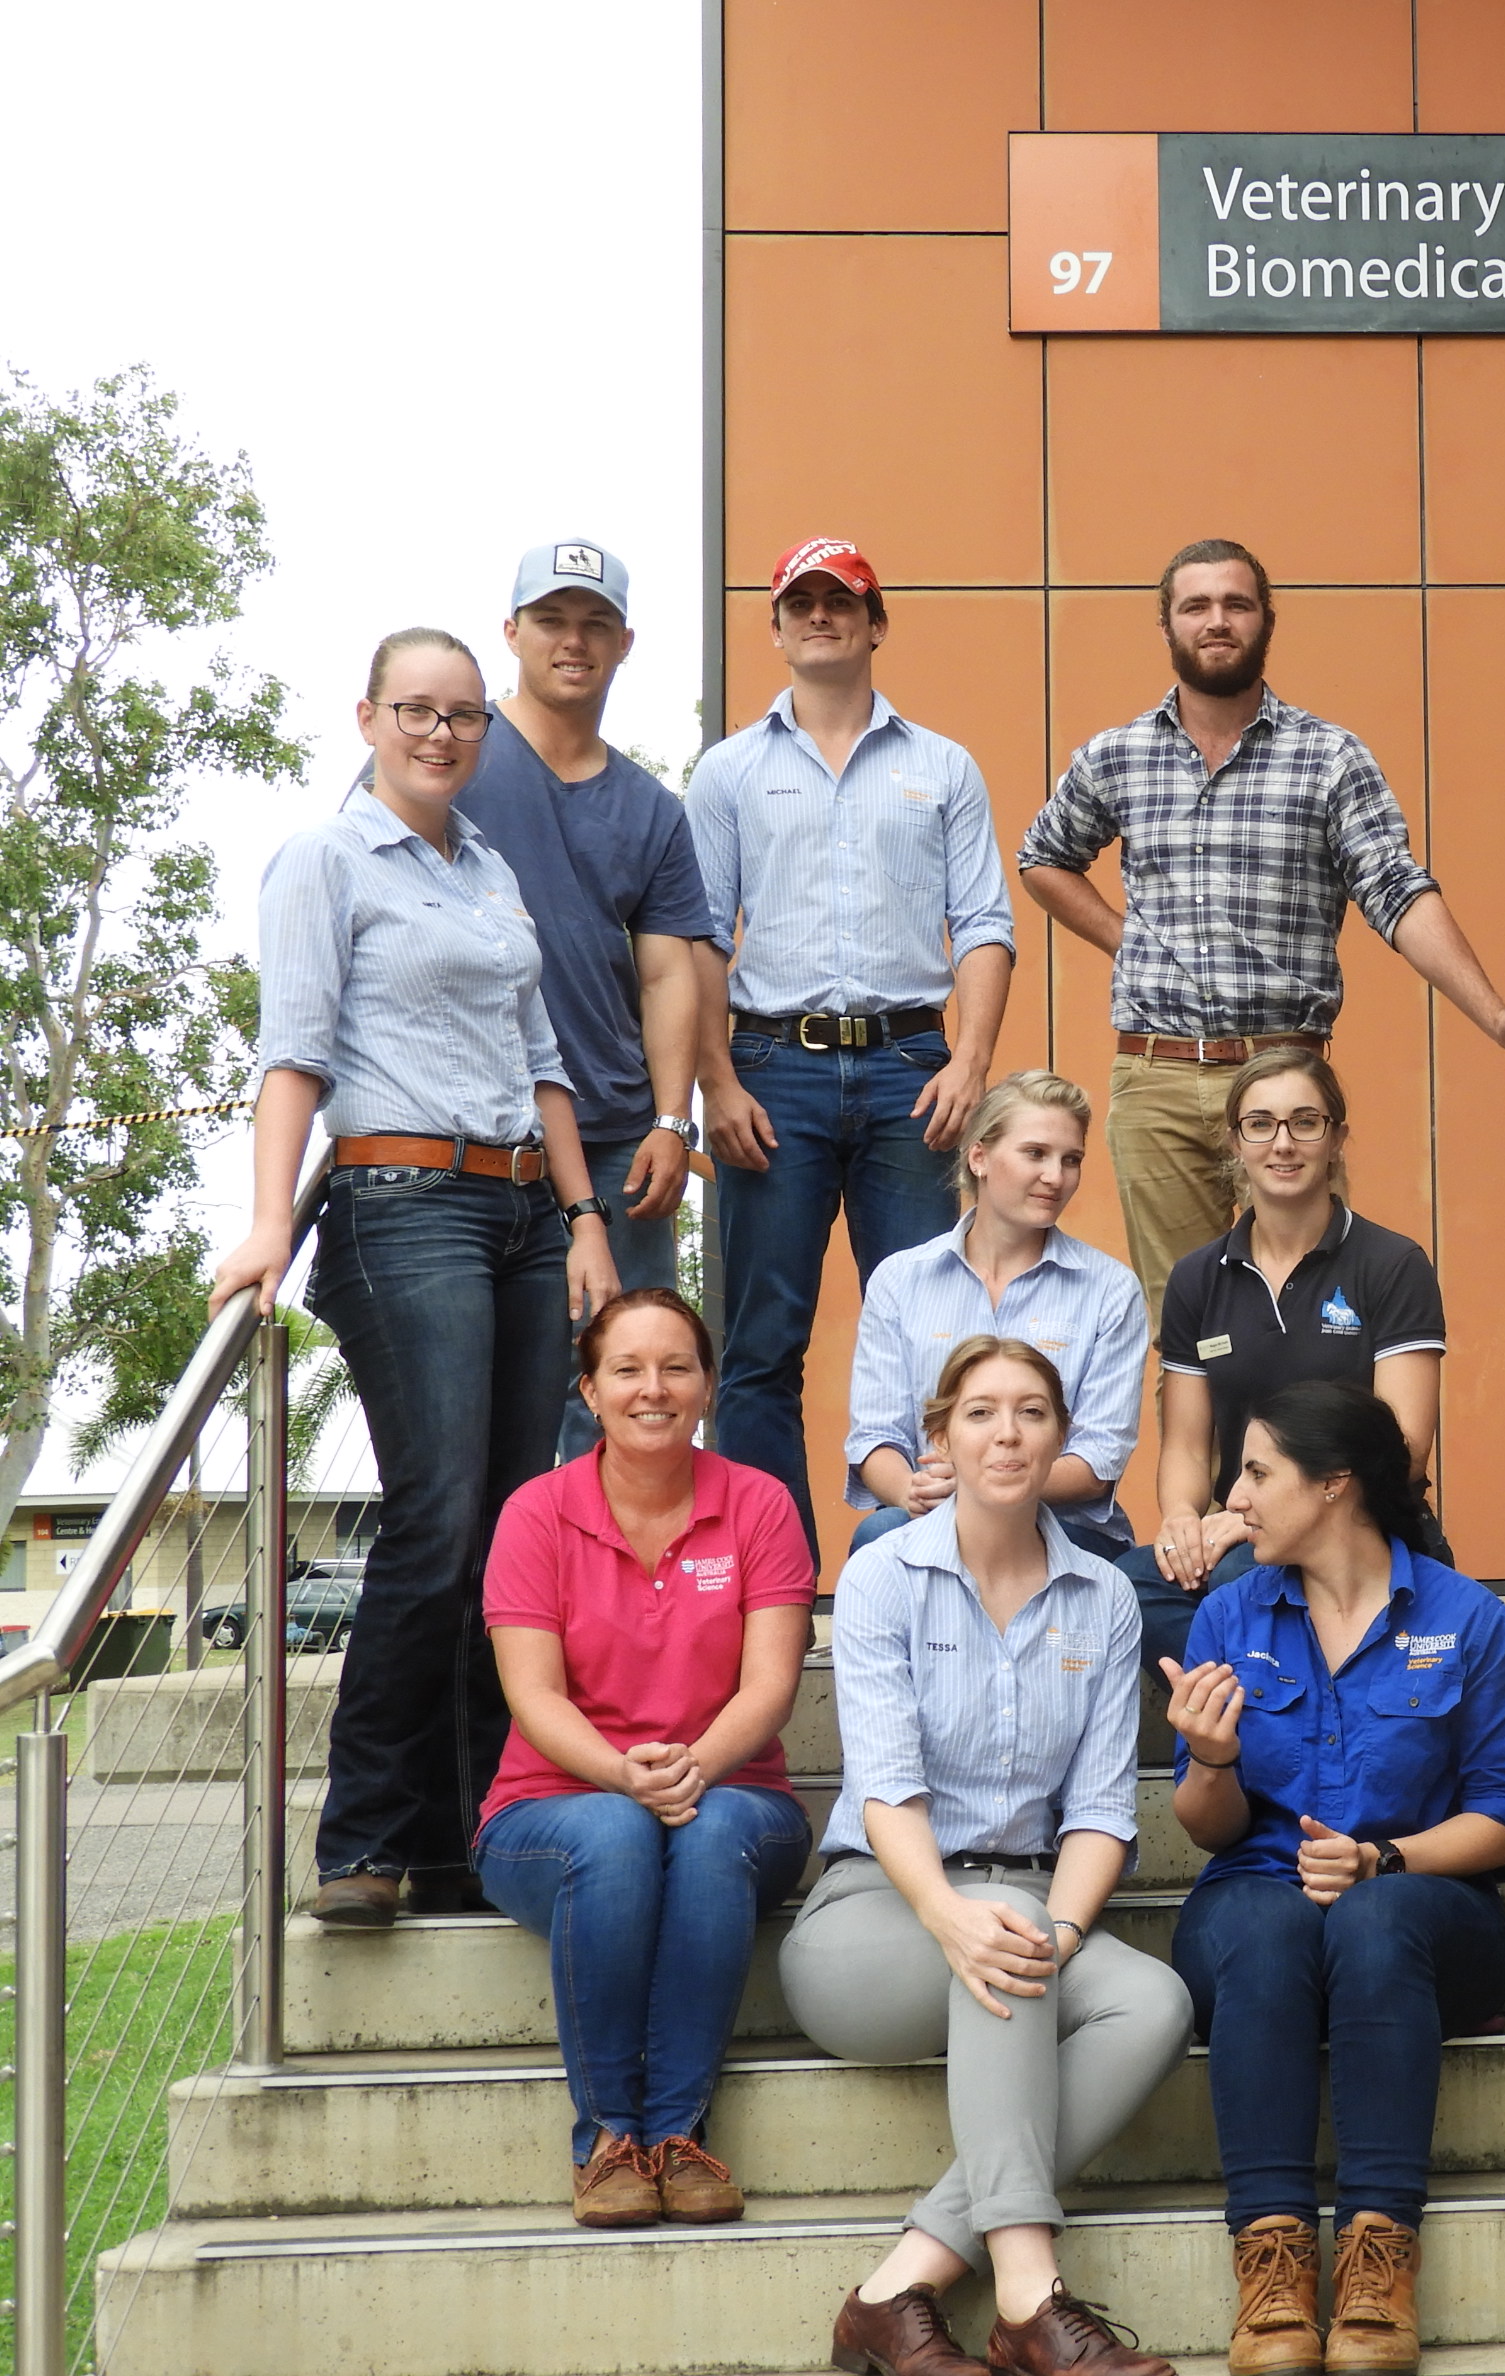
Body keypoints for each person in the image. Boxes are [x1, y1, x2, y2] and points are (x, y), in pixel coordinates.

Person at [213, 628, 621, 1929]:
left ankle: (473, 1835)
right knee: (438, 1518)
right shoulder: (326, 859)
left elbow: (543, 1057)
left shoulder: (489, 867)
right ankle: (365, 1840)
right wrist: (270, 1218)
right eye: (416, 712)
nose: (440, 734)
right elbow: (294, 1052)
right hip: (402, 1209)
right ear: (369, 717)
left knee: (513, 1537)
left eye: (461, 717)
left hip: (524, 1218)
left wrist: (586, 1220)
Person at [781, 1335, 1192, 2376]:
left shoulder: (1102, 1597)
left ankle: (901, 2286)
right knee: (1002, 1943)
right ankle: (1026, 2296)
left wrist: (1057, 1931)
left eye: (1030, 1413)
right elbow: (885, 1789)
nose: (1006, 1434)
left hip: (1029, 1898)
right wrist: (952, 1915)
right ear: (940, 1437)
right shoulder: (881, 1576)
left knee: (1151, 2001)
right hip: (874, 1913)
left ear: (1061, 1437)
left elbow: (1102, 1812)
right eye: (979, 1413)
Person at [1161, 1381, 1505, 2376]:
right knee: (1268, 1926)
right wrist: (1209, 1761)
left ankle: (1380, 2265)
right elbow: (1207, 1829)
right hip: (1259, 1895)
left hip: (1429, 1911)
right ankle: (1275, 2265)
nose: (1234, 1498)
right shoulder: (1228, 1614)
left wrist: (1389, 1858)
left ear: (1335, 1485)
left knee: (1374, 1925)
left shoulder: (1469, 1621)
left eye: (1257, 1473)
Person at [1017, 538, 1505, 1306]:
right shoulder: (1116, 756)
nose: (1216, 621)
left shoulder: (1329, 757)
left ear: (1266, 621)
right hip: (1155, 1078)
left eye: (1236, 604)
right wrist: (1129, 939)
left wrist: (1491, 1014)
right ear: (1167, 627)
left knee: (1300, 1316)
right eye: (1196, 606)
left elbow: (1395, 888)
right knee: (1184, 1328)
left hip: (1283, 1077)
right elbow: (1043, 858)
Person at [687, 536, 1016, 1545]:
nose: (821, 614)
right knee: (760, 1343)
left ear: (877, 623)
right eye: (801, 602)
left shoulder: (942, 766)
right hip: (769, 1073)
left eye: (843, 600)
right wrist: (715, 1081)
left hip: (912, 1073)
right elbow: (697, 939)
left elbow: (988, 926)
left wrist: (969, 1062)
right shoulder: (729, 771)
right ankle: (765, 1581)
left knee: (931, 1331)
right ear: (778, 627)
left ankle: (922, 1556)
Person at [476, 1289, 813, 2227]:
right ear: (589, 1388)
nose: (652, 1388)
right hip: (549, 1810)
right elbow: (534, 1695)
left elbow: (771, 1687)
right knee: (619, 1834)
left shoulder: (760, 1504)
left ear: (707, 1386)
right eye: (627, 1369)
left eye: (677, 1367)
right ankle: (609, 2141)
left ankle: (676, 2135)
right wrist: (626, 1775)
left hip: (738, 1793)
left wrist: (693, 1766)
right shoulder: (536, 1514)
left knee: (704, 1833)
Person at [463, 540, 712, 1463]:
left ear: (625, 642)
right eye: (553, 620)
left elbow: (667, 974)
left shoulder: (651, 809)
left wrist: (672, 1121)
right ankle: (487, 1606)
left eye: (595, 623)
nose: (575, 641)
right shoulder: (451, 756)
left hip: (613, 1135)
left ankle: (607, 1603)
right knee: (478, 1396)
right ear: (512, 632)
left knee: (614, 1384)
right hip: (469, 1133)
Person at [1122, 1052, 1449, 1668]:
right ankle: (1263, 1724)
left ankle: (1269, 1728)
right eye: (1260, 1123)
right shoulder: (1197, 1278)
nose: (1283, 1143)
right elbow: (1188, 1446)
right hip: (1251, 1528)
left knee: (1245, 1582)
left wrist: (1249, 1524)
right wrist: (1182, 1521)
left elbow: (1403, 1449)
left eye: (1305, 1122)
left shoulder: (1391, 1263)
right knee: (1131, 1586)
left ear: (1337, 1138)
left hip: (1365, 1524)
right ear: (1234, 1140)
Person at [845, 1072, 1144, 1562]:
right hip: (931, 1512)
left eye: (1071, 1160)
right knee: (881, 1534)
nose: (1056, 1176)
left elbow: (1098, 1461)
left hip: (1064, 1526)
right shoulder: (900, 1280)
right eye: (1035, 1154)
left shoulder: (1110, 1288)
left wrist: (985, 1485)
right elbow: (874, 1437)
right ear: (979, 1157)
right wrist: (908, 1491)